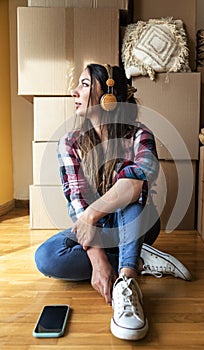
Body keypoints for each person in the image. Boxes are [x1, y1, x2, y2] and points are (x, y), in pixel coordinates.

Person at [35, 63, 191, 341]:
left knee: (129, 193)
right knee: (47, 257)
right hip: (99, 229)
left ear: (109, 93)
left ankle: (127, 281)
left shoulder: (139, 134)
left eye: (84, 84)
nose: (74, 92)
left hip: (138, 223)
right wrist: (97, 261)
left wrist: (91, 216)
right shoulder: (70, 142)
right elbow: (77, 204)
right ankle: (137, 258)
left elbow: (135, 184)